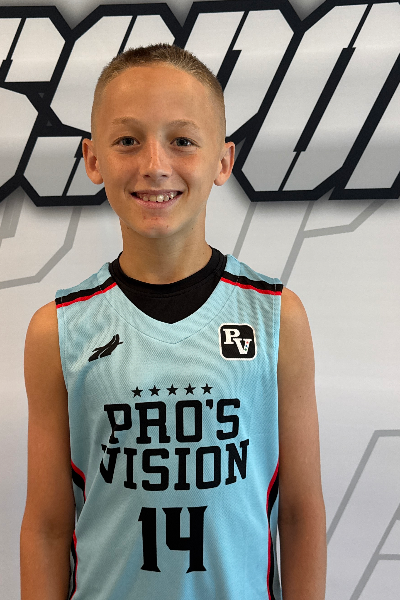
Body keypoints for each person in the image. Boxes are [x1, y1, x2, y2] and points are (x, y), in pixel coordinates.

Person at [21, 44, 326, 600]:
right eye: (127, 140)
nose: (155, 164)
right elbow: (46, 526)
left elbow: (300, 515)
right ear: (93, 159)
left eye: (182, 140)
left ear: (223, 161)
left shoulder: (276, 316)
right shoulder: (58, 330)